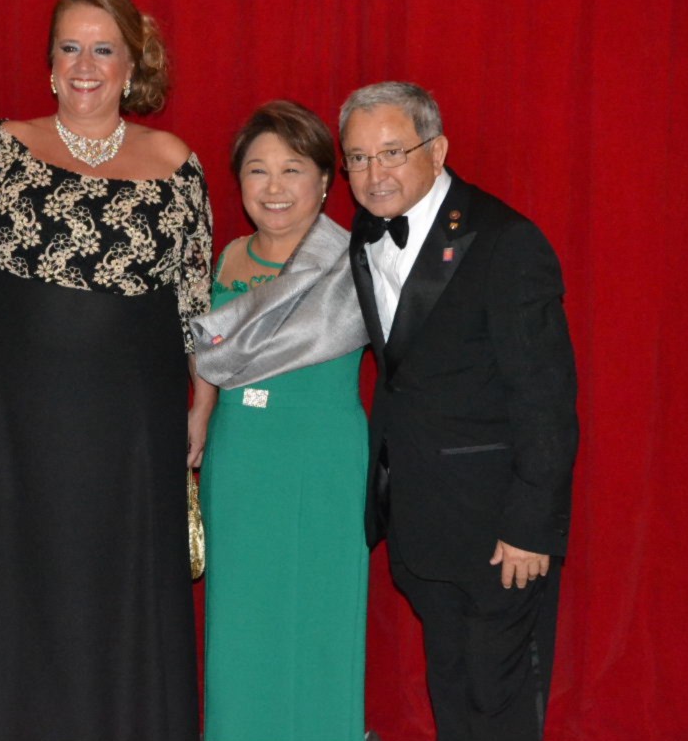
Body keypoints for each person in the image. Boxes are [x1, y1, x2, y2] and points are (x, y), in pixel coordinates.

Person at [0, 0, 211, 740]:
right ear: (50, 64)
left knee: (118, 585)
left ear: (131, 66)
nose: (85, 65)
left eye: (103, 49)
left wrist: (204, 404)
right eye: (70, 48)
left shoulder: (177, 164)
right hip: (15, 421)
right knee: (15, 582)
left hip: (133, 427)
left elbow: (196, 305)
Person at [342, 81, 578, 741]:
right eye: (357, 158)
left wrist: (530, 526)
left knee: (498, 699)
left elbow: (547, 398)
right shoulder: (364, 234)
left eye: (392, 152)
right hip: (420, 515)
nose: (374, 173)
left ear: (437, 149)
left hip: (499, 527)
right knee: (450, 683)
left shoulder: (506, 242)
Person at [188, 101, 370, 740]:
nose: (273, 187)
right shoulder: (225, 258)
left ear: (325, 179)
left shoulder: (354, 263)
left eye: (292, 169)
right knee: (242, 620)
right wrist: (200, 413)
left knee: (321, 619)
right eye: (257, 170)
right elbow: (206, 357)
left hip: (325, 458)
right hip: (241, 458)